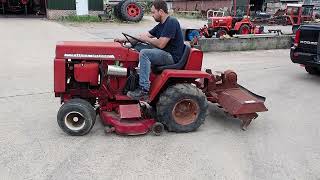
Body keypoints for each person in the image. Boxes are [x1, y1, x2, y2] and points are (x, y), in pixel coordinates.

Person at [115, 0, 185, 100]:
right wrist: (123, 40)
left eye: (153, 12)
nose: (152, 15)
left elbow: (161, 44)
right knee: (137, 47)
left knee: (144, 53)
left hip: (171, 56)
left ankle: (143, 89)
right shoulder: (161, 25)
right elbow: (143, 36)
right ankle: (130, 80)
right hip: (164, 53)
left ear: (160, 11)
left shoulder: (171, 22)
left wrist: (147, 39)